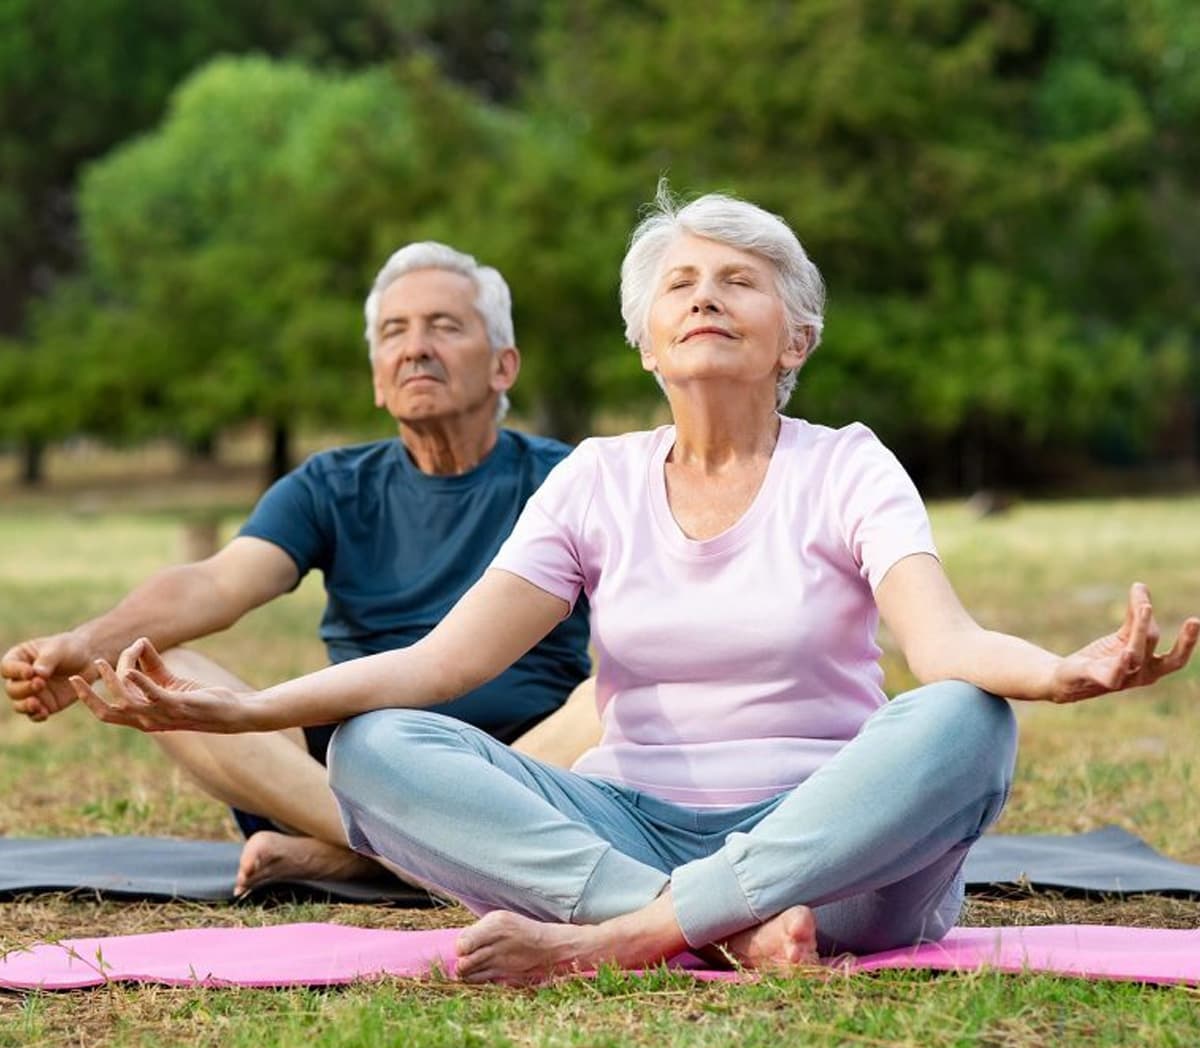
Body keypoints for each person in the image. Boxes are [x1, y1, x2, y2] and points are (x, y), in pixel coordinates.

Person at [73, 189, 1198, 983]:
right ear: (646, 338)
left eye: (740, 282)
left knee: (965, 720)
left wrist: (1062, 669)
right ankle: (700, 924)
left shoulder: (848, 462)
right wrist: (251, 706)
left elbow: (943, 646)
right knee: (378, 745)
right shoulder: (597, 479)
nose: (706, 295)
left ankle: (624, 937)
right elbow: (441, 664)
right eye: (681, 282)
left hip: (835, 853)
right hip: (633, 831)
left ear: (793, 332)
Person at [3, 241, 596, 895]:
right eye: (394, 332)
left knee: (612, 698)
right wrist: (87, 644)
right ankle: (418, 852)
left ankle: (361, 856)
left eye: (445, 326)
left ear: (503, 366)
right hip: (354, 770)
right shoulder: (330, 484)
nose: (415, 347)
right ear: (377, 376)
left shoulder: (571, 478)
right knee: (153, 667)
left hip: (525, 761)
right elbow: (217, 582)